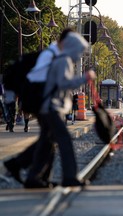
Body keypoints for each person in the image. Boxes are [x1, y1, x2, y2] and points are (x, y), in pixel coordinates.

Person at [2, 28, 74, 185]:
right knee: (52, 137)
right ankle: (26, 170)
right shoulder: (50, 56)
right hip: (42, 103)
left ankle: (33, 175)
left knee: (48, 139)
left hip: (45, 103)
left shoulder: (56, 55)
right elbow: (38, 79)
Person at [24, 31, 96, 188]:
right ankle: (69, 177)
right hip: (52, 107)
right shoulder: (64, 61)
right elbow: (64, 83)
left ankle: (33, 178)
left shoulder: (62, 60)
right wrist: (85, 78)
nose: (80, 55)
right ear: (73, 48)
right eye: (79, 50)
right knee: (65, 141)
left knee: (45, 144)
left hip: (49, 106)